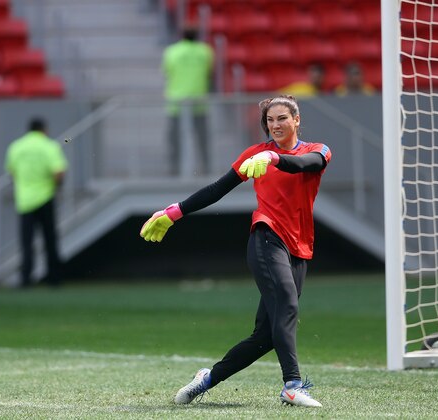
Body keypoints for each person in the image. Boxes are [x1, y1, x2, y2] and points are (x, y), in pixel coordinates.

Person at [140, 94, 332, 408]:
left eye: (282, 118)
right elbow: (218, 188)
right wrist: (174, 212)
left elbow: (307, 164)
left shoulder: (316, 150)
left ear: (297, 120)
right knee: (286, 303)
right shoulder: (255, 154)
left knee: (266, 337)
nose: (276, 125)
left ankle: (207, 378)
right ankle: (293, 386)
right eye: (270, 120)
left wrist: (275, 160)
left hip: (299, 247)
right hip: (267, 237)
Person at [5, 118, 68, 288]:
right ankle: (54, 278)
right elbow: (59, 172)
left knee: (26, 242)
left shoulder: (16, 146)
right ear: (44, 129)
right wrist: (56, 187)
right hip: (45, 197)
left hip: (24, 200)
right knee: (50, 240)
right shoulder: (49, 146)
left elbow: (12, 172)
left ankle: (26, 278)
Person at [162, 24, 214, 176]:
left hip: (176, 103)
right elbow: (209, 74)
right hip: (199, 102)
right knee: (202, 139)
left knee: (175, 140)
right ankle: (206, 169)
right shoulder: (205, 51)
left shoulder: (172, 51)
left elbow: (167, 72)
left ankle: (174, 170)